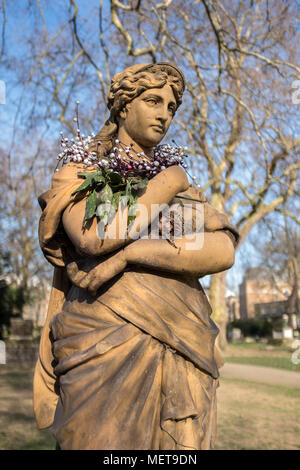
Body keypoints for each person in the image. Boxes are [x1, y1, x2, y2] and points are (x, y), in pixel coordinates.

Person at [33, 63, 239, 450]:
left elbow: (222, 248)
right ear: (123, 107)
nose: (165, 113)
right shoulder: (82, 172)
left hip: (179, 339)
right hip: (101, 348)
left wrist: (130, 255)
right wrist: (170, 180)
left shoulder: (184, 196)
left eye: (172, 107)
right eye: (153, 100)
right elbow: (94, 237)